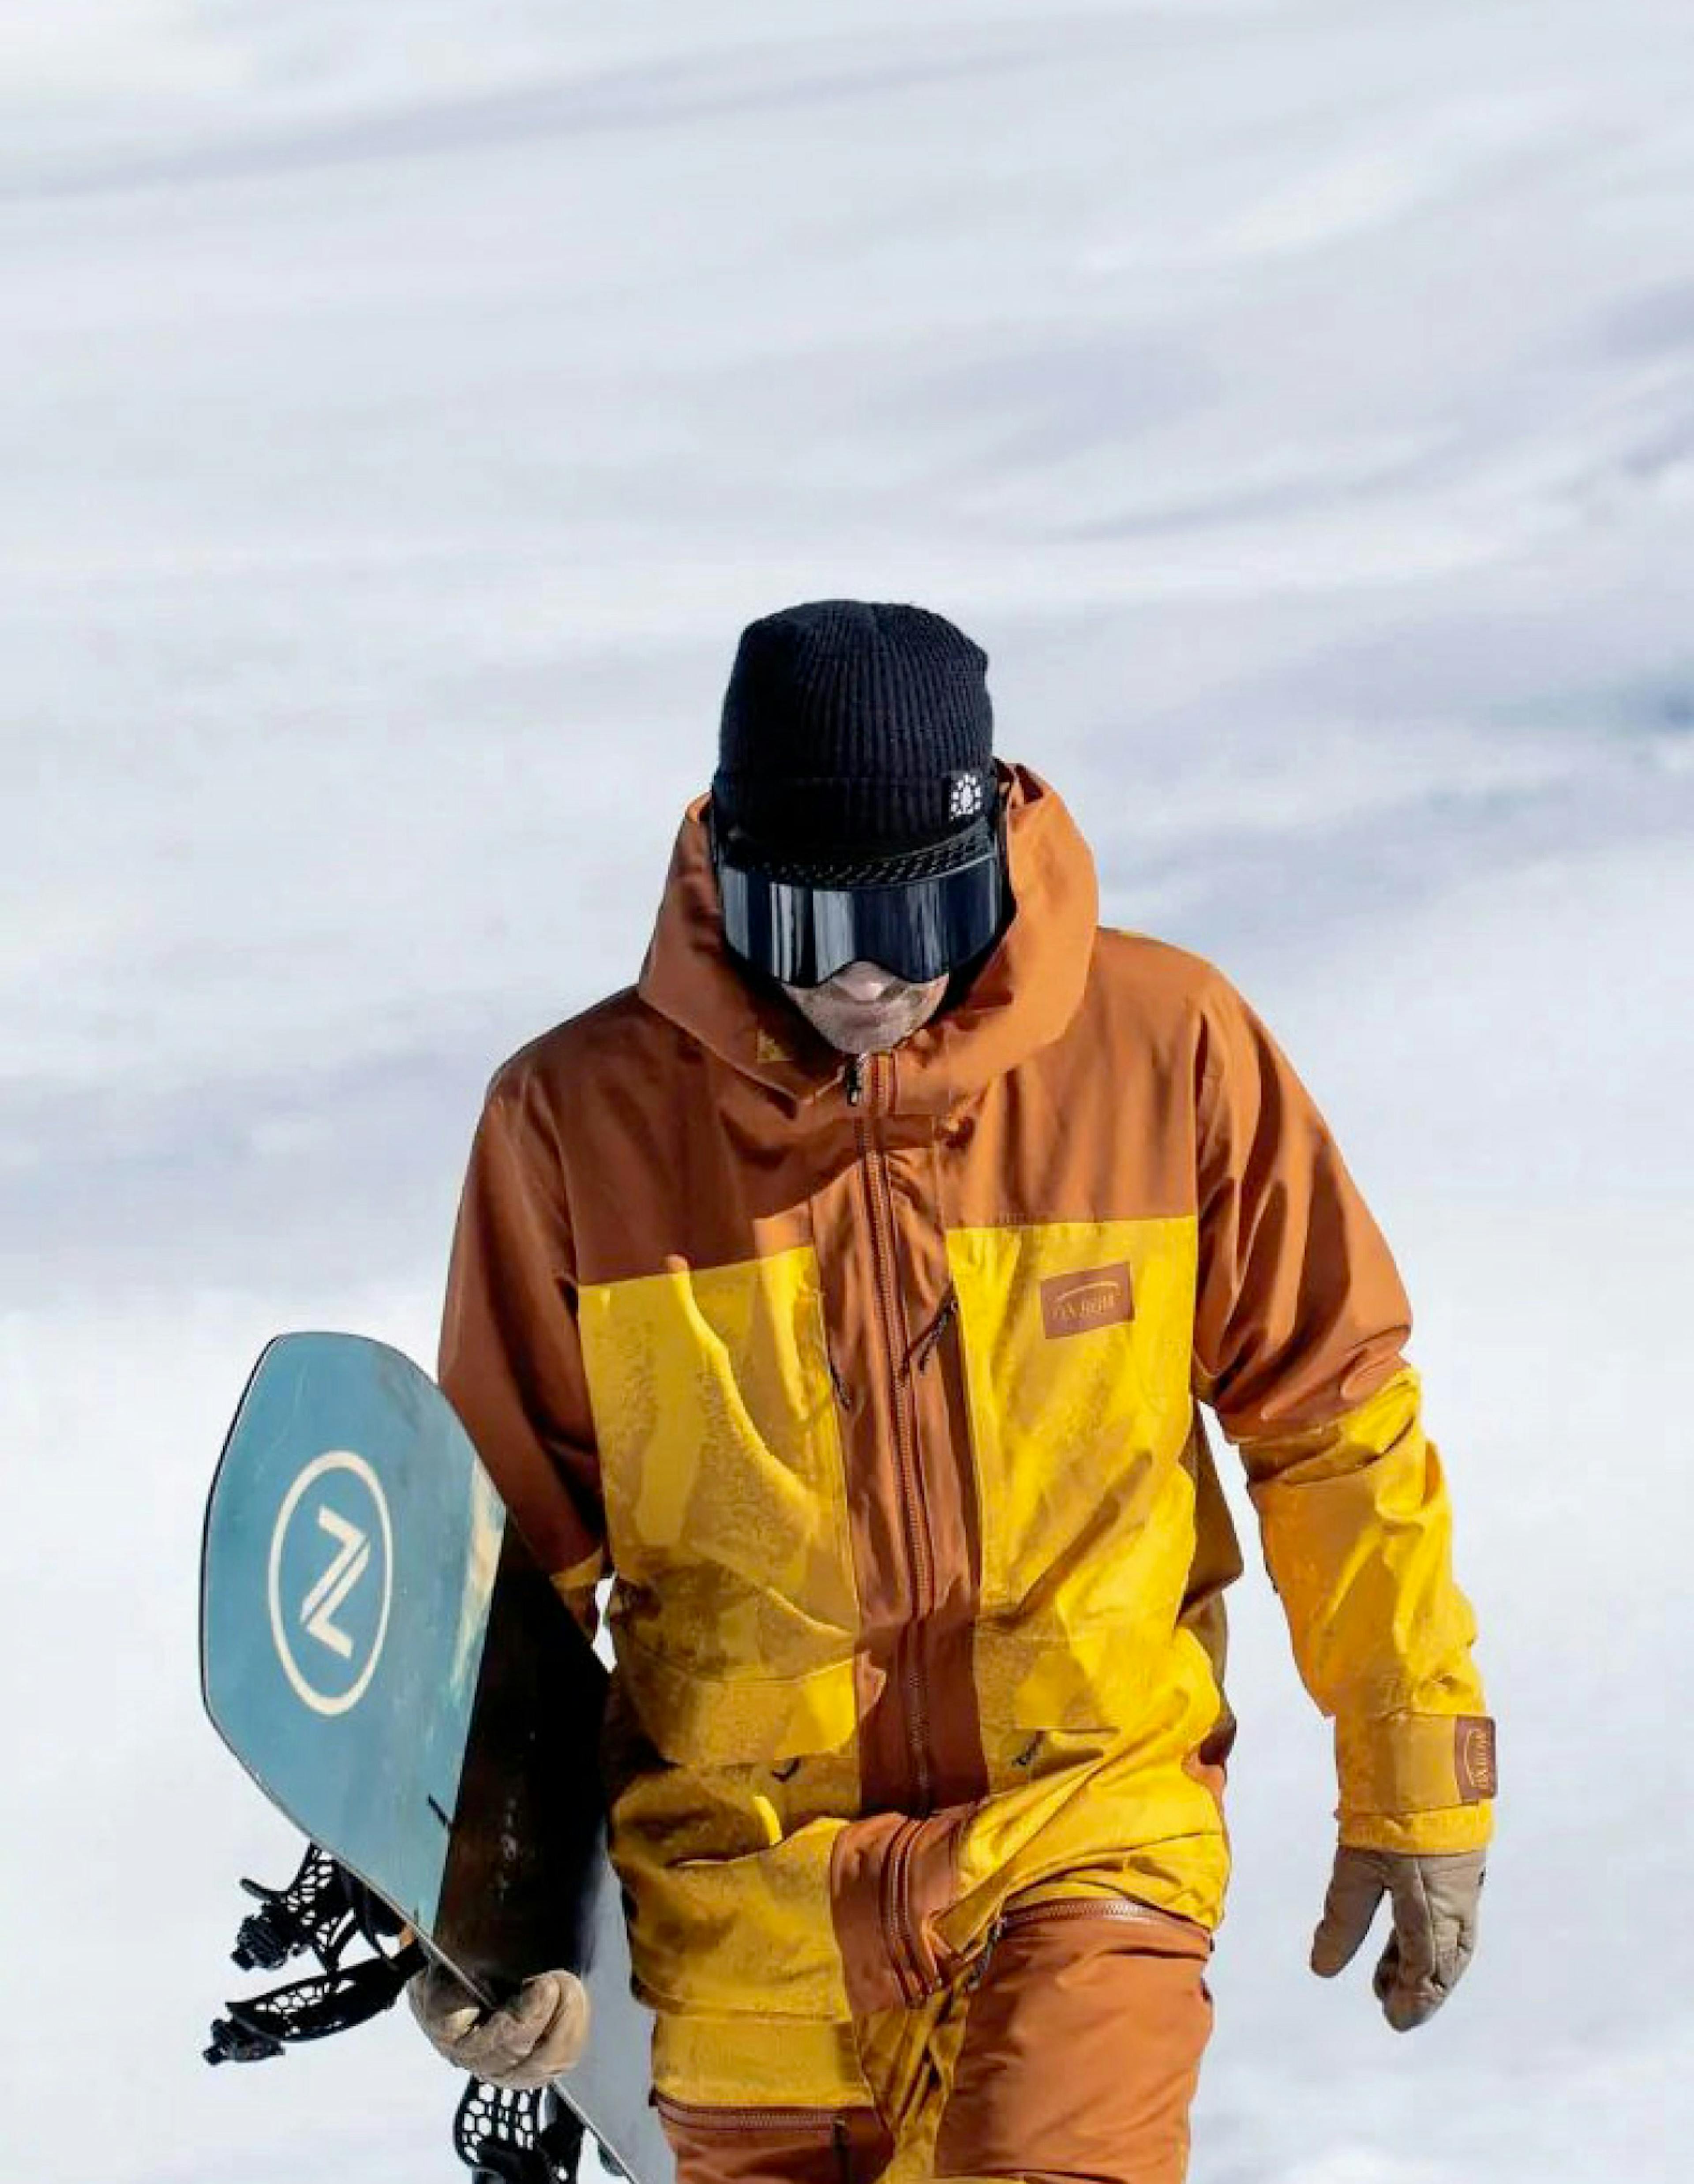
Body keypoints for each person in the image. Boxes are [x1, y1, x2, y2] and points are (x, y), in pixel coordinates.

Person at [409, 600, 1495, 2184]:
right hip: (735, 1935)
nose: (864, 983)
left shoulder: (1165, 1048)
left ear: (992, 854)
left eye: (913, 922)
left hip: (1082, 1842)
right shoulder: (576, 1125)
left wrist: (1417, 1776)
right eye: (804, 924)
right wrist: (494, 1917)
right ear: (723, 878)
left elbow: (1332, 1427)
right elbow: (508, 1579)